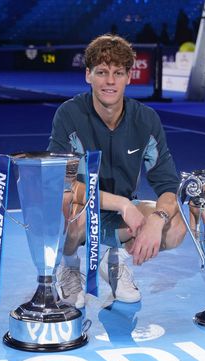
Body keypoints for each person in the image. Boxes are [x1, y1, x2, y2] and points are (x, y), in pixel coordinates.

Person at [47, 34, 187, 308]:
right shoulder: (69, 115)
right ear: (88, 75)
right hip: (83, 211)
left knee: (176, 226)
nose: (110, 81)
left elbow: (168, 186)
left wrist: (157, 220)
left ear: (128, 77)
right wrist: (122, 203)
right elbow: (63, 182)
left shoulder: (146, 120)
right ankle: (70, 266)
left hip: (121, 217)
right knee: (66, 205)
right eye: (101, 72)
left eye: (117, 73)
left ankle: (113, 259)